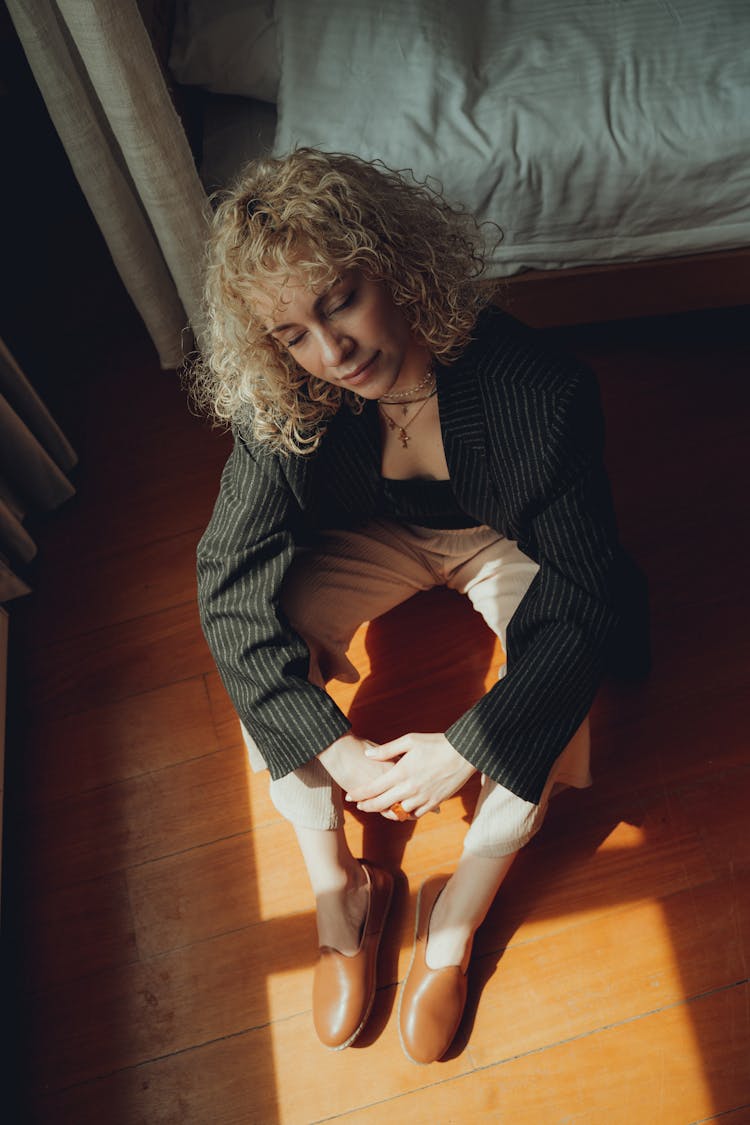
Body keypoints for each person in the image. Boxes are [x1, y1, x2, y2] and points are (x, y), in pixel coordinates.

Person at [193, 148, 648, 1064]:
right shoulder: (291, 394)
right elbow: (227, 576)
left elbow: (587, 588)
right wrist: (330, 741)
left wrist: (467, 746)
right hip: (374, 536)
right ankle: (341, 892)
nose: (332, 353)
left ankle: (454, 919)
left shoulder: (542, 389)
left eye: (341, 302)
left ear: (396, 263)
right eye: (291, 333)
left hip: (501, 539)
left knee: (547, 717)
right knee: (262, 651)